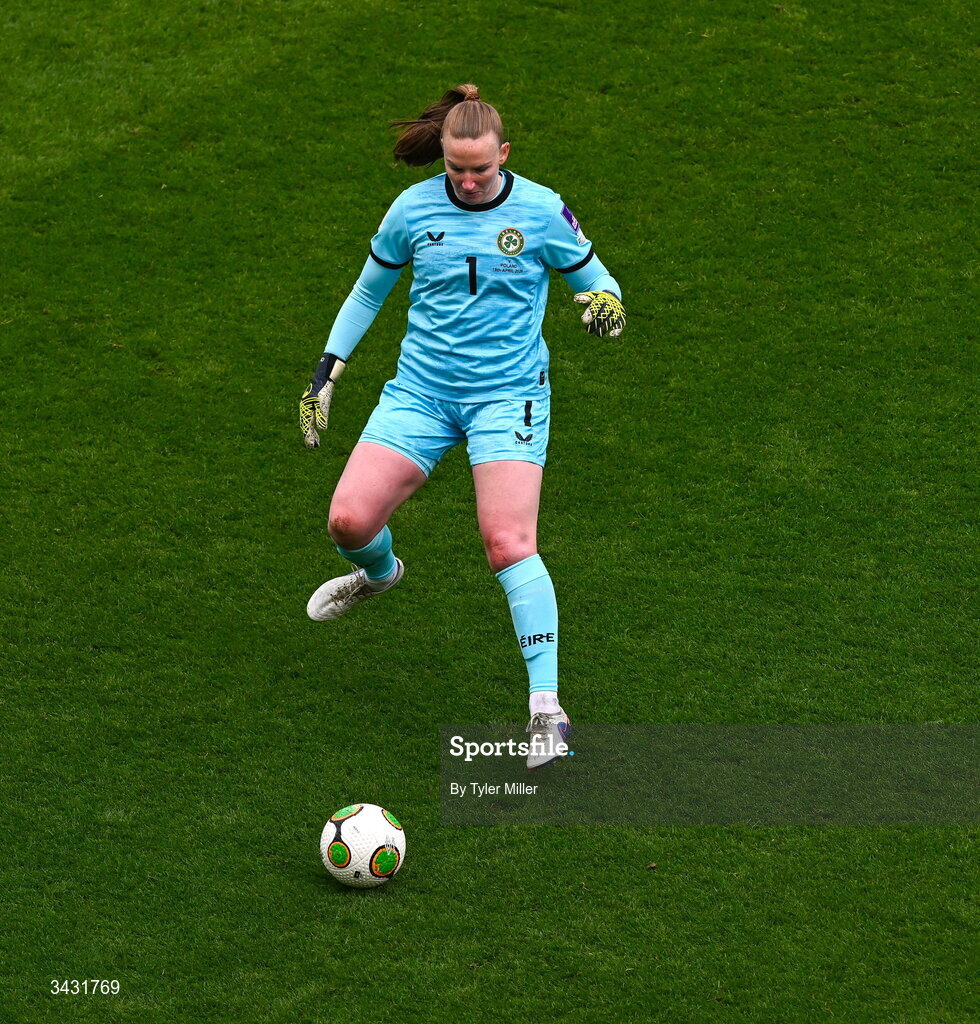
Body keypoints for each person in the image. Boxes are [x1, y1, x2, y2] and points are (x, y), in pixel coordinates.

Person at [299, 84, 625, 768]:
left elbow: (597, 279)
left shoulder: (539, 210)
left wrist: (602, 305)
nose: (470, 182)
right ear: (443, 159)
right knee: (348, 525)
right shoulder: (412, 211)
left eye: (481, 168)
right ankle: (380, 576)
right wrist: (327, 371)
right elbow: (369, 289)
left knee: (507, 542)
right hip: (420, 393)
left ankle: (546, 712)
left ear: (503, 154)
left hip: (507, 398)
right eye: (456, 170)